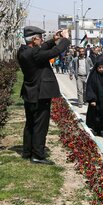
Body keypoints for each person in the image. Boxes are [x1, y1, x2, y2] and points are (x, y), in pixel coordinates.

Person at [17, 27, 71, 164]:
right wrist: (65, 39)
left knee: (30, 124)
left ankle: (27, 151)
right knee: (41, 125)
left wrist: (53, 39)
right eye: (40, 37)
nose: (42, 40)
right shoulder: (34, 54)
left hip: (30, 93)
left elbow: (43, 48)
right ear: (34, 40)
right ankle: (38, 155)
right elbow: (55, 51)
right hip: (39, 94)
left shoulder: (24, 51)